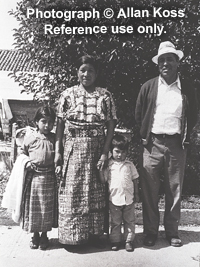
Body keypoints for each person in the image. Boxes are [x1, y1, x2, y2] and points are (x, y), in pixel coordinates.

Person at [135, 41, 197, 247]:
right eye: (162, 60)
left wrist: (186, 136)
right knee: (149, 190)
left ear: (177, 62)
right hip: (152, 143)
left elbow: (193, 114)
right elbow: (139, 114)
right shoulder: (148, 86)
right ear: (157, 64)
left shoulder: (186, 87)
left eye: (170, 59)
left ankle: (172, 232)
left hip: (176, 144)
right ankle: (151, 232)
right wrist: (145, 137)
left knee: (175, 189)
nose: (165, 63)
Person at [55, 55, 117, 246]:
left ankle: (95, 234)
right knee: (73, 191)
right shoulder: (67, 94)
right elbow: (59, 125)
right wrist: (58, 151)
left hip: (97, 149)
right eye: (83, 70)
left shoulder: (104, 95)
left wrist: (105, 152)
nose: (86, 74)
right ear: (77, 72)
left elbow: (111, 124)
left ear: (96, 74)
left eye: (90, 70)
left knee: (96, 190)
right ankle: (72, 237)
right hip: (73, 149)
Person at [21, 106, 61, 250]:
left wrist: (58, 166)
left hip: (49, 178)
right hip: (34, 178)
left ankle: (44, 235)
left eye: (51, 122)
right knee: (35, 208)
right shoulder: (31, 139)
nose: (47, 125)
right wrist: (26, 163)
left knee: (47, 208)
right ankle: (35, 235)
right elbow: (22, 154)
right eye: (44, 121)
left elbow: (58, 156)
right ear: (36, 122)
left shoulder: (54, 139)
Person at [99, 134, 139, 252]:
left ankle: (128, 241)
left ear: (127, 152)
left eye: (123, 152)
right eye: (117, 151)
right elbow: (103, 180)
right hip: (114, 199)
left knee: (129, 221)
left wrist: (137, 194)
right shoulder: (109, 165)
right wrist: (100, 171)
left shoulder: (130, 165)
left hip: (128, 199)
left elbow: (135, 180)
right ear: (111, 151)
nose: (120, 155)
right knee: (115, 222)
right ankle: (115, 241)